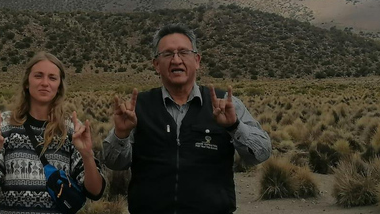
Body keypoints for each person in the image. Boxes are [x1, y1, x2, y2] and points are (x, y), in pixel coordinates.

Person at [102, 23, 272, 214]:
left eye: (183, 52)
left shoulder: (224, 104)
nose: (176, 60)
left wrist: (234, 126)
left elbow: (262, 153)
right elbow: (112, 162)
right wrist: (121, 135)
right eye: (167, 54)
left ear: (197, 60)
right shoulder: (138, 107)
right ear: (156, 65)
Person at [0, 51, 106, 213]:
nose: (45, 83)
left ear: (59, 86)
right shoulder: (3, 124)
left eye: (52, 78)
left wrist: (87, 155)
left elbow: (95, 192)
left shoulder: (72, 128)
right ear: (27, 82)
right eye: (38, 76)